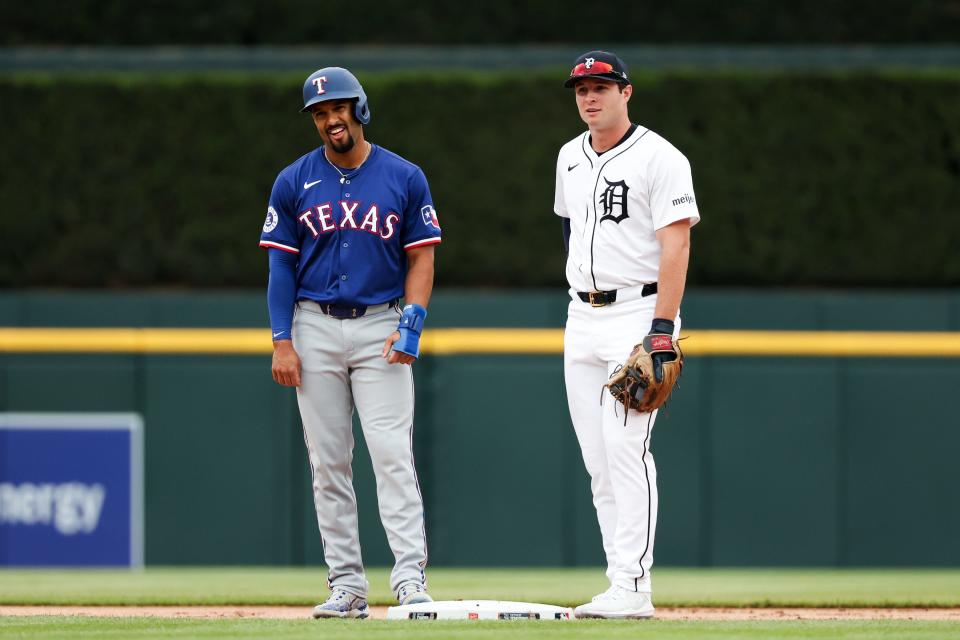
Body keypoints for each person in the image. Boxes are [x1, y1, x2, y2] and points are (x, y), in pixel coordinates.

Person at [259, 66, 441, 619]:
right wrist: (282, 340)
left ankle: (410, 579)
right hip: (313, 323)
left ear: (358, 109)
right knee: (329, 463)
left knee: (391, 457)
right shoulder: (293, 180)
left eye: (337, 108)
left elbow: (422, 256)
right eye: (319, 112)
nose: (329, 119)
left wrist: (412, 322)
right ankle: (347, 586)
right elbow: (279, 270)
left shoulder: (404, 176)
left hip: (380, 323)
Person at [554, 51, 700, 619]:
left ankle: (634, 586)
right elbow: (571, 230)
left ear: (626, 92)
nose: (590, 97)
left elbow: (677, 244)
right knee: (597, 458)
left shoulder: (661, 157)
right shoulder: (568, 156)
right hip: (581, 316)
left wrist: (661, 329)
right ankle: (620, 581)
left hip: (636, 316)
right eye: (581, 89)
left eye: (601, 86)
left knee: (626, 448)